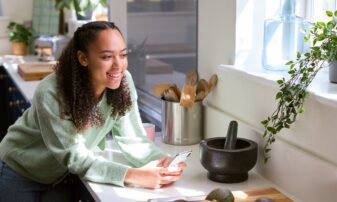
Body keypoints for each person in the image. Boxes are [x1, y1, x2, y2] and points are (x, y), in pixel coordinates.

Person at [0, 21, 186, 202]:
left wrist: (163, 162)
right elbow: (75, 157)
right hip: (20, 170)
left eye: (122, 55)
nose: (118, 65)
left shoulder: (123, 81)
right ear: (83, 58)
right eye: (107, 57)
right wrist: (135, 176)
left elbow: (133, 138)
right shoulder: (51, 92)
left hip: (60, 175)